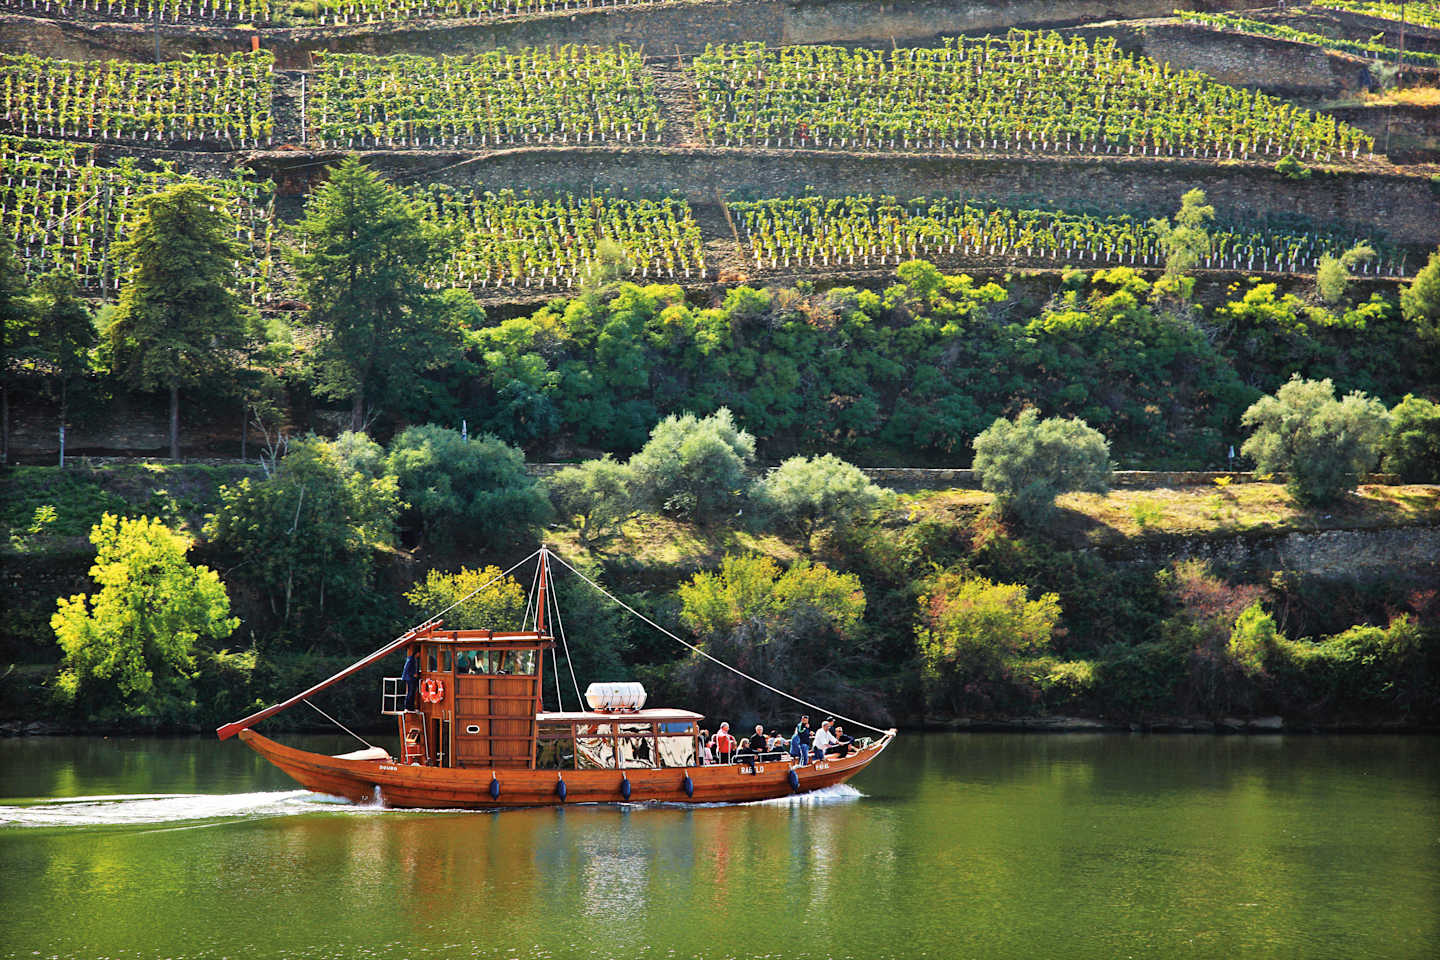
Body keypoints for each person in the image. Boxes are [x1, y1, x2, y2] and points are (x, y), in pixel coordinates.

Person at [401, 646, 420, 711]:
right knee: (410, 692)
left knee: (412, 692)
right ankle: (407, 707)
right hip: (409, 678)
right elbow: (406, 668)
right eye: (419, 654)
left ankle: (411, 707)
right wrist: (413, 674)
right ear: (417, 653)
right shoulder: (411, 659)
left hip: (411, 678)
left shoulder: (414, 659)